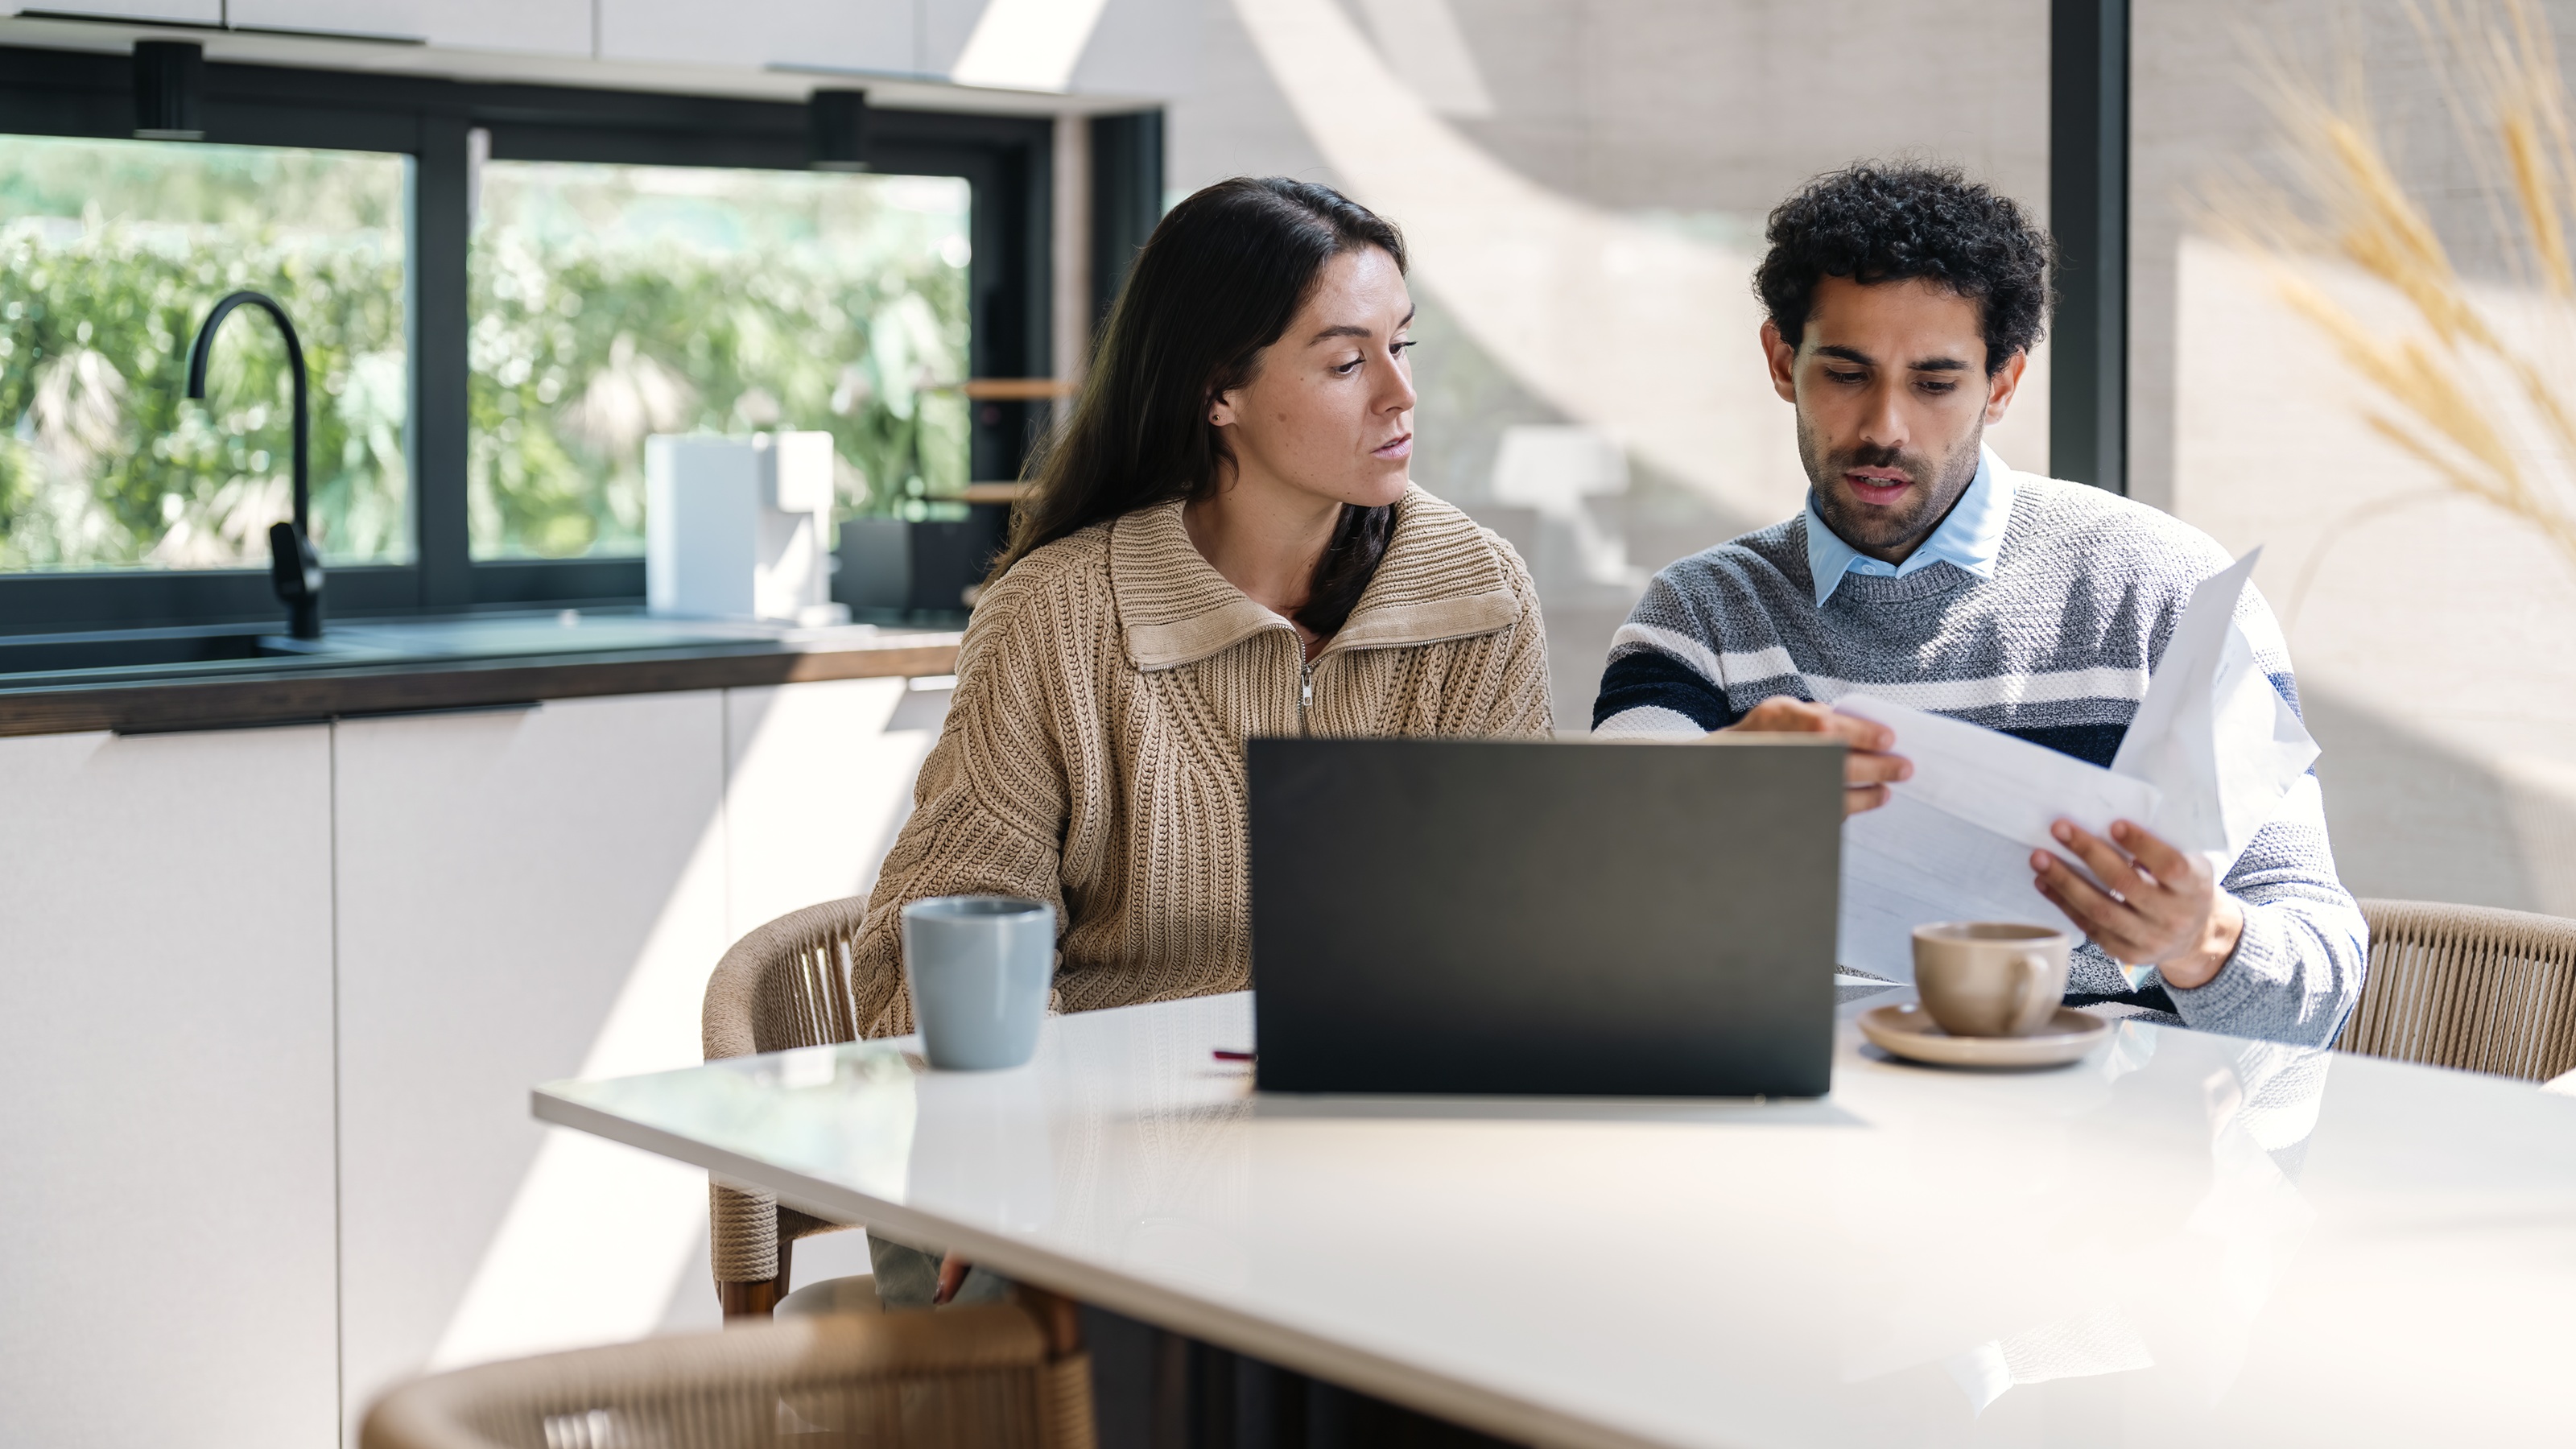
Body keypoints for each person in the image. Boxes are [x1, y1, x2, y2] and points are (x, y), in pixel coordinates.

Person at [847, 176, 1553, 1304]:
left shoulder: (1478, 594)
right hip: (1092, 1161)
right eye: (1344, 361)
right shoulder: (1058, 615)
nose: (1400, 395)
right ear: (1217, 390)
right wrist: (1007, 1142)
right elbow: (952, 933)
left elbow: (1521, 925)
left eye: (1402, 346)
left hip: (1373, 1165)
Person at [1592, 162, 2365, 1047]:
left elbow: (2320, 985)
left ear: (2000, 385)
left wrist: (2201, 939)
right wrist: (1703, 795)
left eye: (1934, 383)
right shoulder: (1701, 615)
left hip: (2113, 1141)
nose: (1885, 426)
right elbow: (1592, 898)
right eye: (1844, 373)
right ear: (1781, 361)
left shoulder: (2168, 593)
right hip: (1797, 1119)